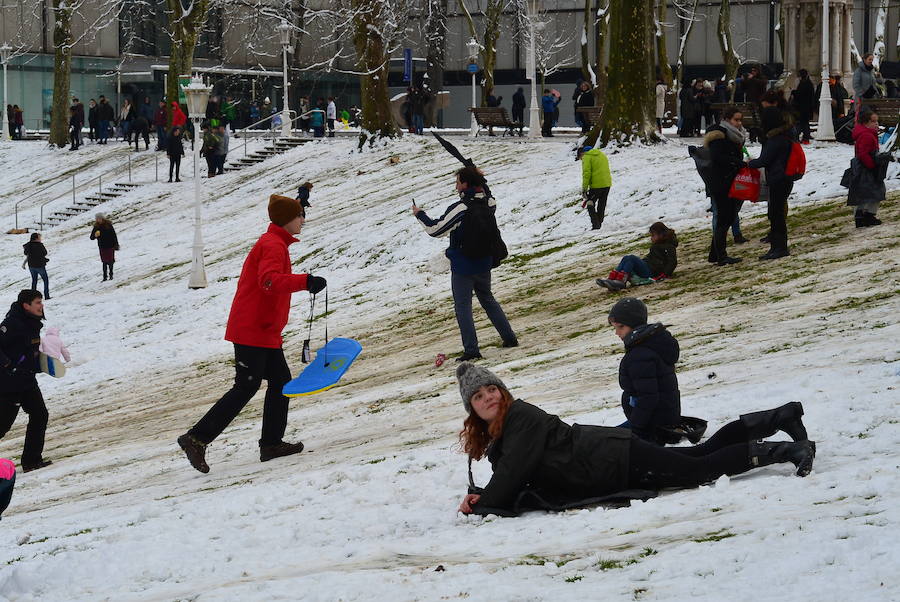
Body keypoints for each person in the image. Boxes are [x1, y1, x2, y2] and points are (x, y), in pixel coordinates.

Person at [455, 354, 815, 515]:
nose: (489, 398)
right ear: (472, 407)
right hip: (609, 457)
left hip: (612, 457)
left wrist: (485, 505)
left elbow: (516, 468)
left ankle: (785, 452)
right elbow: (516, 472)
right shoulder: (506, 427)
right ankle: (777, 417)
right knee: (697, 456)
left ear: (502, 391)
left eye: (491, 390)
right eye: (479, 396)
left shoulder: (521, 415)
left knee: (700, 471)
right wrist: (486, 495)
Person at [176, 195, 327, 473]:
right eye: (300, 215)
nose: (303, 220)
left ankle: (271, 444)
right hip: (251, 330)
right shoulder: (272, 244)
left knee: (281, 382)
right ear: (287, 219)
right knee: (246, 386)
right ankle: (196, 438)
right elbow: (269, 280)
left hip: (264, 330)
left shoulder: (276, 243)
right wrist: (305, 281)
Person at [412, 167, 517, 362]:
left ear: (465, 184)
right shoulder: (488, 202)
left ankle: (471, 350)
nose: (456, 185)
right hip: (485, 261)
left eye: (458, 181)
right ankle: (509, 338)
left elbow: (436, 230)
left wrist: (420, 214)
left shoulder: (461, 207)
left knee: (463, 307)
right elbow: (488, 192)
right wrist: (480, 179)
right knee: (488, 299)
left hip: (463, 266)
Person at [0, 290, 53, 473]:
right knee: (2, 425)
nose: (41, 306)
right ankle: (31, 461)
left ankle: (31, 461)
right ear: (26, 306)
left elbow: (28, 351)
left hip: (26, 380)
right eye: (37, 302)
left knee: (40, 415)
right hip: (9, 383)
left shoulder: (32, 324)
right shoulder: (12, 323)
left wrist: (41, 364)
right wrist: (7, 364)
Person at [747, 106, 794, 260]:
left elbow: (764, 160)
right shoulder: (784, 135)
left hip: (778, 179)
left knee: (776, 215)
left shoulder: (776, 139)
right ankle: (777, 246)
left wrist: (748, 164)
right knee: (776, 213)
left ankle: (779, 247)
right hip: (783, 178)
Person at [703, 105, 747, 265]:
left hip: (729, 179)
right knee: (724, 217)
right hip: (721, 182)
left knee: (727, 217)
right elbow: (718, 157)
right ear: (727, 119)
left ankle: (715, 254)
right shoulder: (719, 135)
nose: (739, 123)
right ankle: (720, 255)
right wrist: (738, 162)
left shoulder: (733, 134)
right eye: (736, 120)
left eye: (740, 120)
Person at [596, 222, 678, 291]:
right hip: (649, 267)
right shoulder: (657, 245)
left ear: (661, 235)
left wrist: (665, 274)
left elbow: (672, 262)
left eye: (653, 235)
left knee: (631, 258)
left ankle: (621, 281)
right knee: (626, 258)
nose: (651, 238)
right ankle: (613, 279)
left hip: (652, 272)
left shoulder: (668, 246)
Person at [848, 109, 888, 227]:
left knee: (864, 192)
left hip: (864, 168)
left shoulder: (868, 134)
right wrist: (872, 165)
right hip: (866, 168)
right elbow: (863, 153)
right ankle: (867, 215)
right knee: (875, 191)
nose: (876, 124)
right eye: (873, 121)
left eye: (877, 121)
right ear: (865, 123)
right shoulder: (866, 135)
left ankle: (861, 216)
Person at [577, 145, 611, 231]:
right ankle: (599, 223)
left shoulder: (587, 157)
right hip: (607, 184)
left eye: (580, 158)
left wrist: (584, 189)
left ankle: (596, 225)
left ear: (582, 154)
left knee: (590, 203)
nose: (581, 160)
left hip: (596, 185)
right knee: (601, 205)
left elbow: (586, 173)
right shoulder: (601, 154)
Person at [89, 213, 119, 281]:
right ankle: (105, 277)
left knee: (110, 261)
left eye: (98, 218)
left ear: (102, 218)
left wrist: (116, 244)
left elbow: (114, 235)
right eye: (96, 219)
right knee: (104, 262)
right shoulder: (96, 227)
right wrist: (95, 236)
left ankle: (111, 275)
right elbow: (91, 237)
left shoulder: (108, 225)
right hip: (102, 247)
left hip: (110, 245)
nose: (97, 220)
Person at [790, 69, 815, 144]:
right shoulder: (807, 83)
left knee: (802, 123)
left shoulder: (806, 84)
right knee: (804, 123)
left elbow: (801, 95)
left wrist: (794, 92)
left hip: (803, 107)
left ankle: (804, 137)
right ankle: (805, 137)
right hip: (804, 107)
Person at [23, 233, 50, 299]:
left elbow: (26, 253)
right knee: (45, 280)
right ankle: (46, 295)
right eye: (39, 238)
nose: (40, 239)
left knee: (34, 280)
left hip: (31, 266)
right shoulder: (40, 245)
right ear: (36, 238)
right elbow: (45, 253)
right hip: (39, 265)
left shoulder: (28, 245)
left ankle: (33, 297)